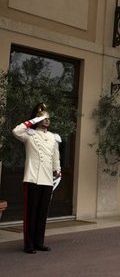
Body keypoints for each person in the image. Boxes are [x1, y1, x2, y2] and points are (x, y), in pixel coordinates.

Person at [12, 103, 61, 254]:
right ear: (36, 119)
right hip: (32, 178)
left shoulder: (53, 137)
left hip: (47, 180)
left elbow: (55, 157)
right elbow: (15, 130)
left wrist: (57, 170)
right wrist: (33, 120)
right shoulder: (28, 135)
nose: (47, 120)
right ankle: (29, 245)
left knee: (42, 214)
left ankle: (39, 242)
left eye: (48, 118)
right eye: (43, 117)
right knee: (30, 213)